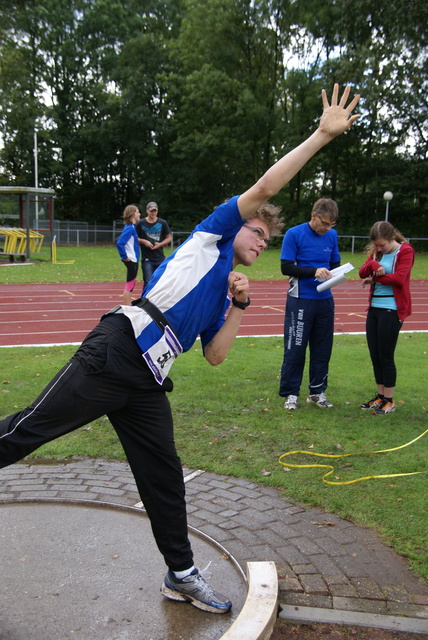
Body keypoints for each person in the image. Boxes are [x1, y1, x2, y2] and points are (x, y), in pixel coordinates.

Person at [0, 84, 360, 614]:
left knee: (164, 475)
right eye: (257, 231)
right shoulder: (209, 238)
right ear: (237, 225)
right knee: (27, 430)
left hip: (146, 380)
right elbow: (263, 187)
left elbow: (214, 355)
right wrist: (321, 137)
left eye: (267, 239)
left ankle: (181, 575)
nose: (263, 241)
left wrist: (238, 306)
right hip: (116, 351)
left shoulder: (225, 288)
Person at [279, 198, 341, 410]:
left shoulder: (332, 236)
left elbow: (335, 264)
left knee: (322, 348)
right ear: (314, 215)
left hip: (325, 300)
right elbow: (286, 267)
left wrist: (336, 273)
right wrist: (313, 271)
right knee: (295, 348)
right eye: (324, 223)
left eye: (331, 224)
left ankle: (317, 391)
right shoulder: (294, 234)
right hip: (300, 300)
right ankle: (291, 394)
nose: (327, 228)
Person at [358, 221, 414, 415]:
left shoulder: (405, 251)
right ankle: (380, 396)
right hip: (374, 309)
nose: (379, 248)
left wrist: (374, 278)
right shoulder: (377, 253)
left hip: (392, 309)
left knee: (386, 355)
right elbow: (361, 272)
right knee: (375, 355)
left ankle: (389, 400)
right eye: (377, 245)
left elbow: (399, 278)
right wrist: (373, 263)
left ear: (392, 238)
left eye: (382, 245)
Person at [135, 202, 172, 288]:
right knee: (148, 282)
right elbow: (134, 238)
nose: (153, 213)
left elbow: (169, 237)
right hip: (147, 258)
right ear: (147, 211)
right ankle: (145, 300)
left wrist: (160, 244)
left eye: (155, 211)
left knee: (160, 282)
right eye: (151, 211)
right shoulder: (141, 223)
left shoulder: (162, 223)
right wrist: (144, 241)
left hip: (159, 257)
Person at [116, 204, 141, 305]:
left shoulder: (132, 227)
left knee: (131, 284)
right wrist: (125, 257)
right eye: (137, 212)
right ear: (132, 214)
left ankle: (128, 305)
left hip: (134, 260)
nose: (139, 214)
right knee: (129, 285)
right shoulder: (129, 228)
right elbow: (120, 243)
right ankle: (127, 307)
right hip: (131, 260)